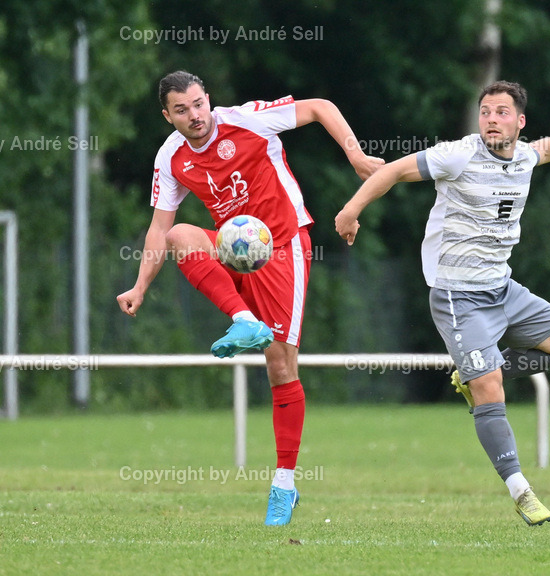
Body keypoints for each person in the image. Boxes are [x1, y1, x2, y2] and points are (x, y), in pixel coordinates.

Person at [118, 71, 383, 526]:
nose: (194, 116)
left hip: (283, 249)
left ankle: (284, 482)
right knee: (183, 233)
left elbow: (319, 105)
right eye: (181, 110)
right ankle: (243, 319)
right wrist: (141, 285)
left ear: (209, 100)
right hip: (235, 248)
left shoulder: (247, 120)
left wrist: (356, 156)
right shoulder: (171, 157)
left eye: (198, 104)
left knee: (279, 365)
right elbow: (160, 228)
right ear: (167, 116)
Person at [335, 80, 550, 526]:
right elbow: (393, 171)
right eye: (485, 112)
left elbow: (544, 149)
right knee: (489, 386)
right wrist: (351, 210)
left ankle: (474, 372)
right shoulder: (458, 154)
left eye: (501, 112)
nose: (491, 119)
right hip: (459, 294)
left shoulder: (525, 155)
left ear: (519, 121)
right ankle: (522, 492)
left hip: (504, 288)